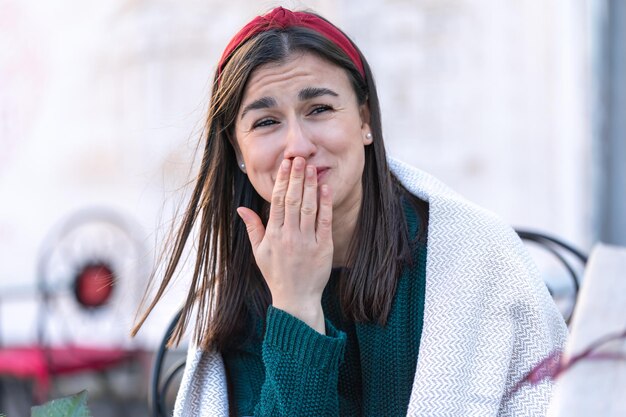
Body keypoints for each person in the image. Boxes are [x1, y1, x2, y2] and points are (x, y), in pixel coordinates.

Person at [132, 6, 567, 416]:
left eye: (319, 109)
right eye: (266, 122)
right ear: (237, 150)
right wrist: (296, 305)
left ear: (365, 121)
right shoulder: (237, 297)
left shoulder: (476, 258)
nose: (298, 146)